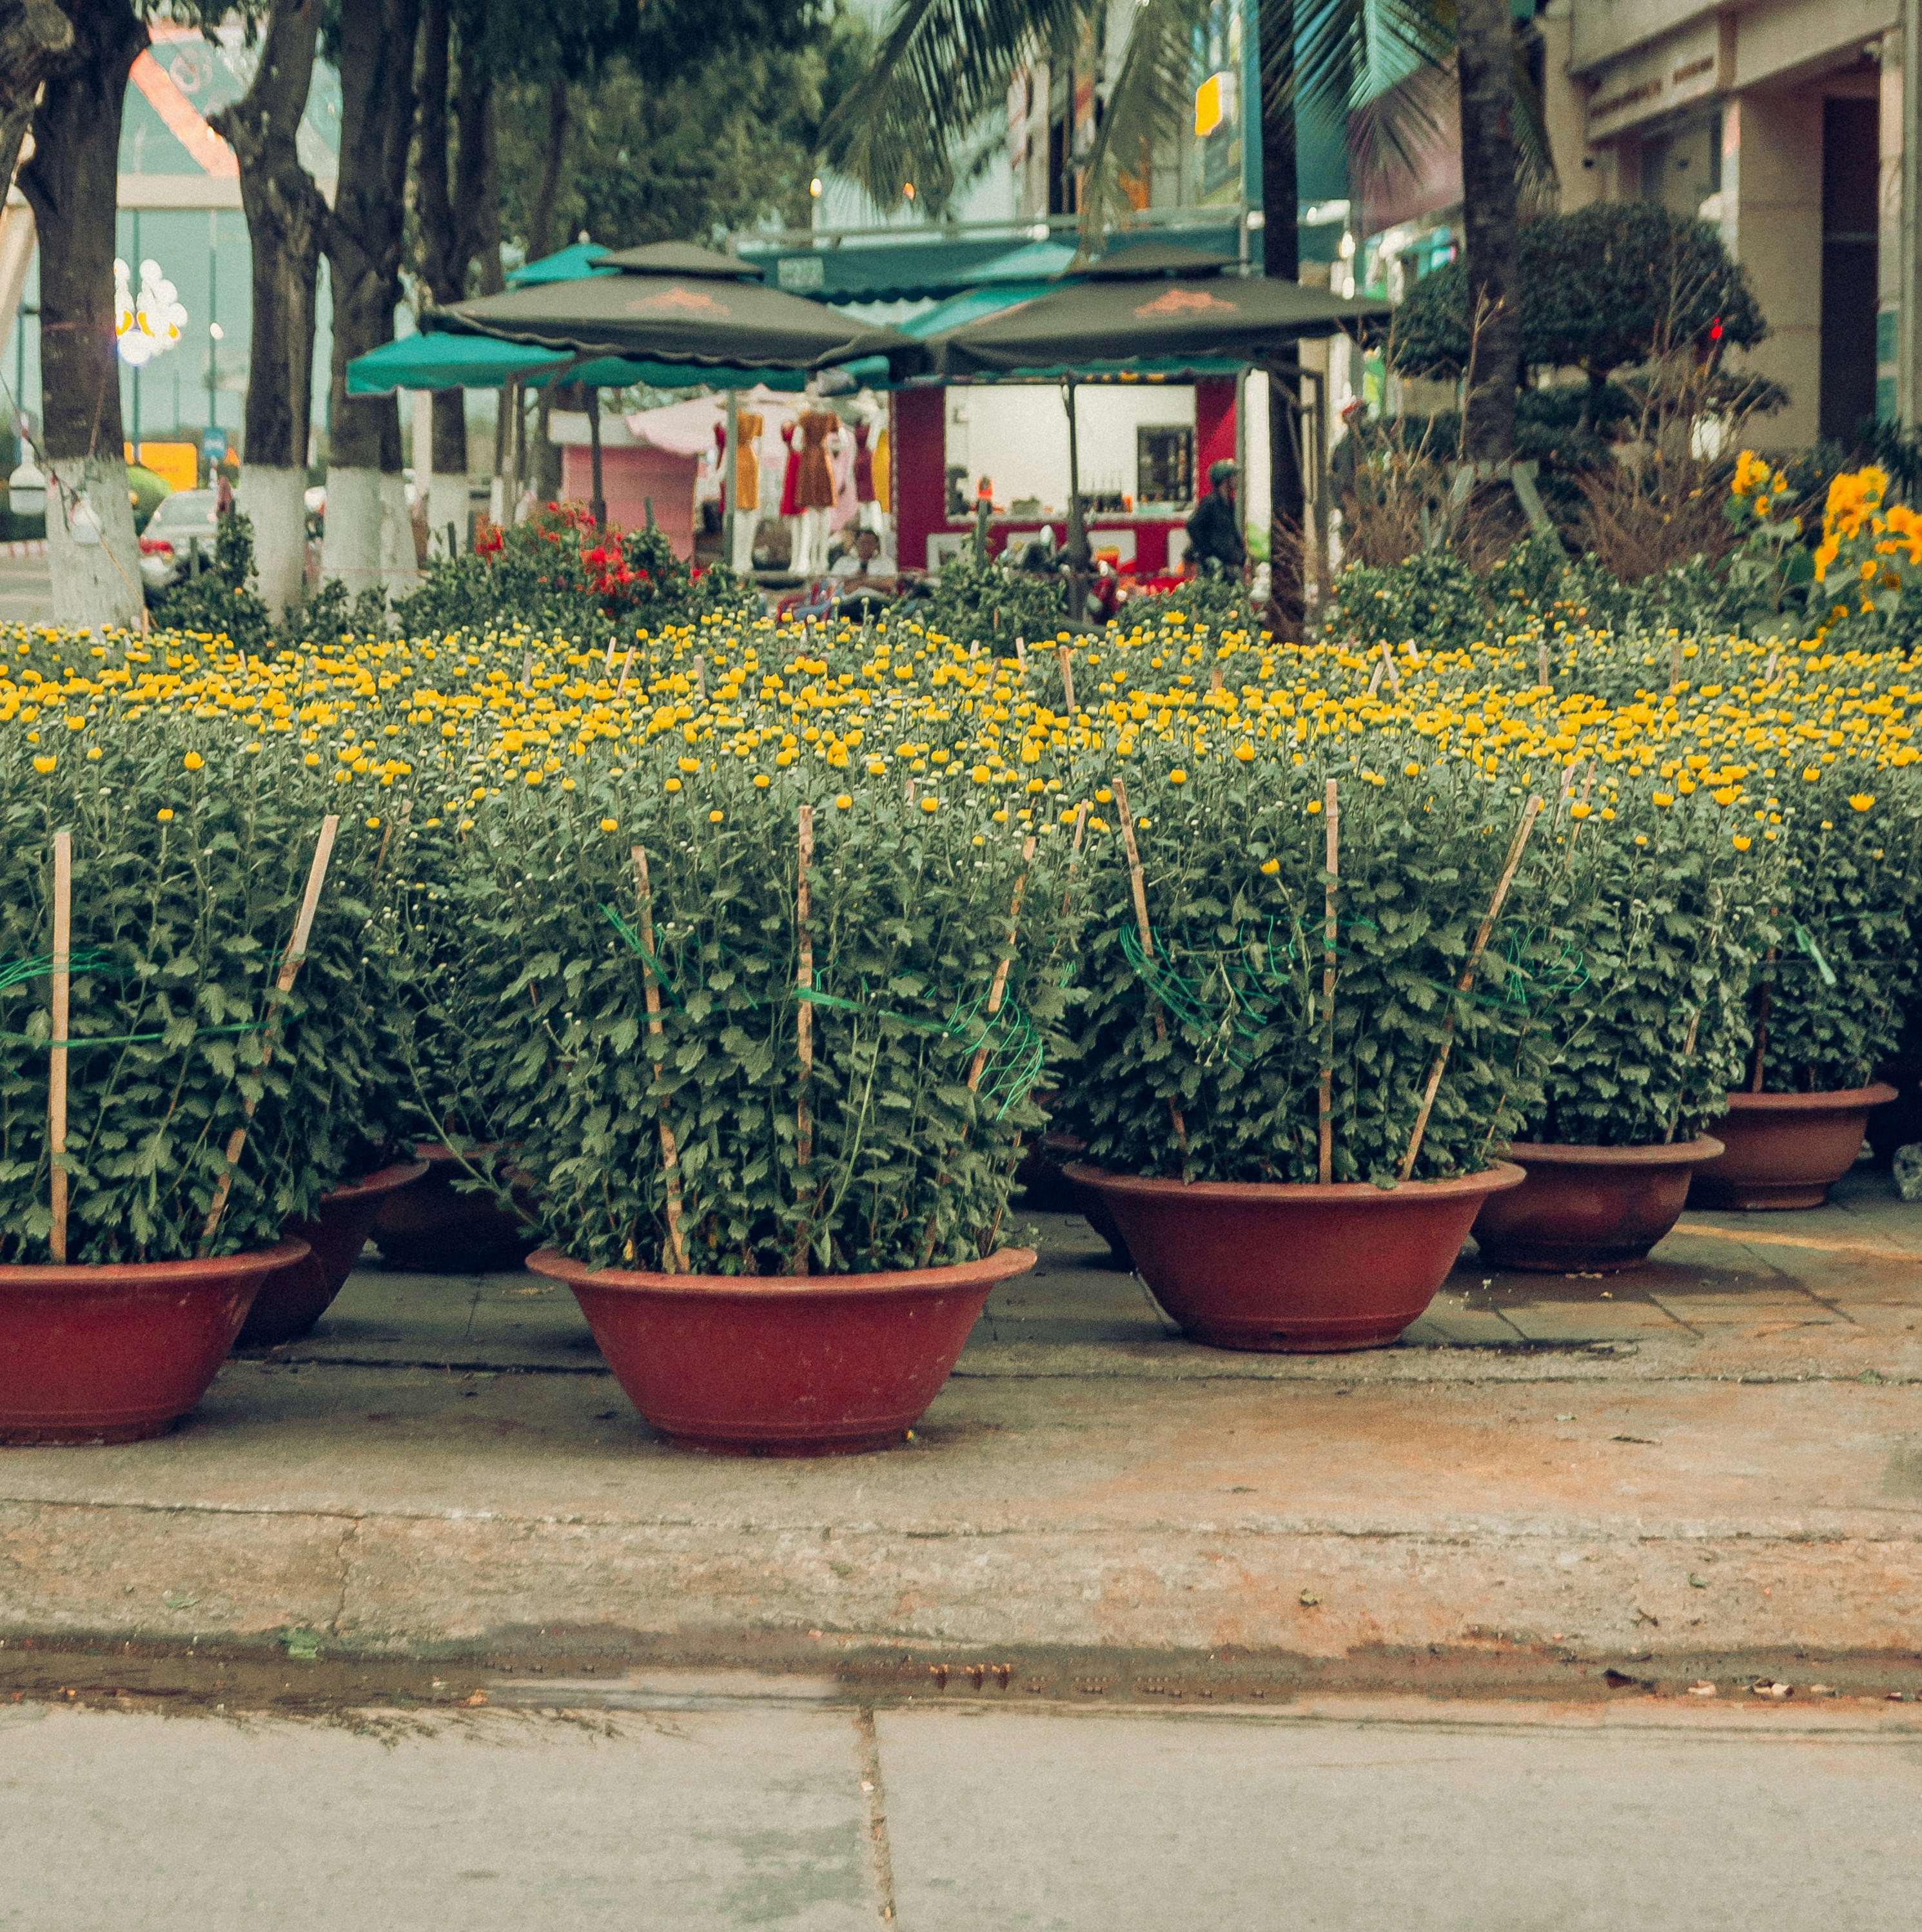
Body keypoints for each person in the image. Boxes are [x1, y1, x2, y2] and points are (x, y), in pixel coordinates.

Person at [1184, 458, 1244, 576]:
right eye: (1233, 476)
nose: (1236, 479)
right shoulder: (1210, 502)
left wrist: (1240, 553)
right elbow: (1193, 525)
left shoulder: (1229, 504)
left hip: (1226, 562)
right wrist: (1207, 554)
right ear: (1225, 480)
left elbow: (1230, 530)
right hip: (1212, 565)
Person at [830, 525, 896, 579]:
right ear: (856, 544)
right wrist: (853, 577)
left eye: (870, 543)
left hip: (875, 595)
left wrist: (862, 583)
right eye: (863, 543)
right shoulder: (843, 562)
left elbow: (889, 584)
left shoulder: (886, 563)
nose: (866, 547)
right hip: (850, 595)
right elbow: (833, 583)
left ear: (876, 546)